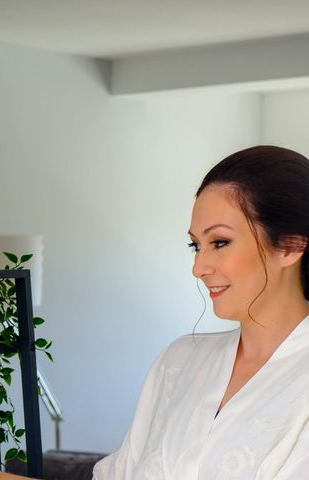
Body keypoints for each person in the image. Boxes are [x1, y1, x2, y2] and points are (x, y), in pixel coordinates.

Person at [93, 145, 309, 479]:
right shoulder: (179, 362)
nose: (198, 267)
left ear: (291, 246)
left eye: (219, 242)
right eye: (195, 245)